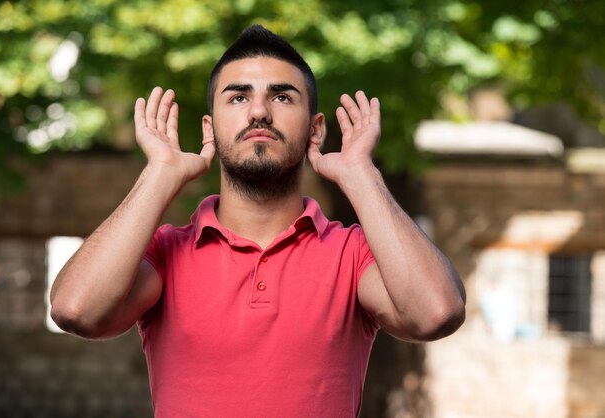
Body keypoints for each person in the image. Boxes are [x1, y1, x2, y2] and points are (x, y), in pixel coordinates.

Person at [50, 25, 466, 417]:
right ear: (209, 129)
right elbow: (75, 310)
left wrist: (361, 174)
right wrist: (160, 174)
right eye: (238, 97)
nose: (259, 113)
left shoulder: (352, 253)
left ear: (315, 130)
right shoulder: (165, 251)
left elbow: (435, 314)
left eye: (282, 97)